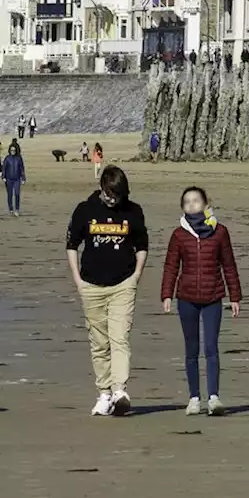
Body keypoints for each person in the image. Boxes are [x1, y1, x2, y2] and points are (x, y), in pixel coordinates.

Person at [66, 166, 149, 417]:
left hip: (123, 284)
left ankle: (120, 390)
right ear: (102, 188)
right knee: (99, 342)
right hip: (91, 285)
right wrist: (78, 280)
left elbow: (142, 245)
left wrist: (136, 276)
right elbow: (71, 244)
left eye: (117, 195)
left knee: (119, 337)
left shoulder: (133, 212)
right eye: (109, 193)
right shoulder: (85, 210)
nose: (112, 199)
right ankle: (103, 393)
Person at [160, 187, 241, 416]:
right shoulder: (179, 235)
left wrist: (235, 296)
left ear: (206, 204)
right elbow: (171, 266)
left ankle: (214, 398)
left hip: (213, 297)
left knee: (211, 348)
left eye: (196, 201)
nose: (191, 205)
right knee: (191, 350)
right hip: (186, 298)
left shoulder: (220, 232)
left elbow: (229, 265)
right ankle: (194, 398)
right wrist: (167, 293)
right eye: (187, 202)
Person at [2, 142, 26, 216]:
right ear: (9, 150)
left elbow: (22, 169)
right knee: (9, 194)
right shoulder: (7, 158)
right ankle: (11, 209)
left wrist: (23, 178)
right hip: (9, 179)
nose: (13, 152)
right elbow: (4, 168)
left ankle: (17, 209)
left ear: (16, 151)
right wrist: (3, 177)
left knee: (17, 194)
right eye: (11, 150)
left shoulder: (19, 158)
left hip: (17, 179)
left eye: (14, 150)